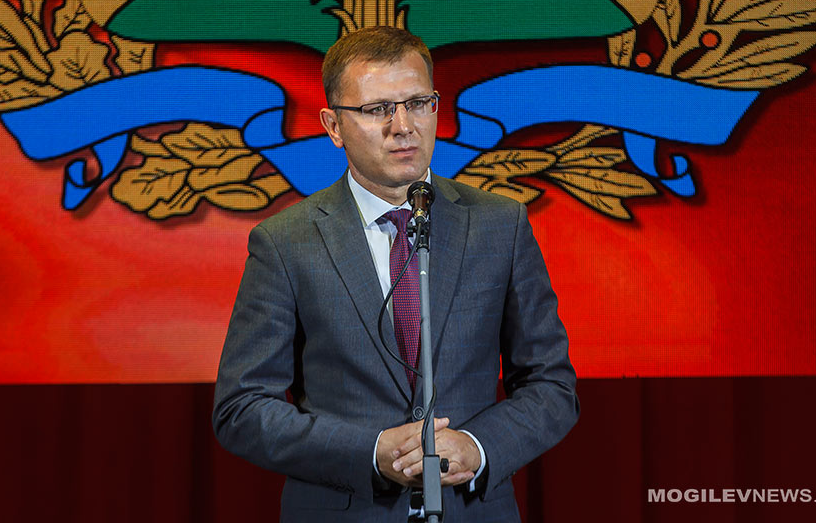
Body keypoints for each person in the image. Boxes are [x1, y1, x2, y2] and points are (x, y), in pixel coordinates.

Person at [212, 27, 578, 522]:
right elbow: (241, 407)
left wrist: (477, 446)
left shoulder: (500, 225)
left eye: (418, 103)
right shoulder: (285, 242)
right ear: (334, 126)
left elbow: (551, 385)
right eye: (377, 109)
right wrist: (371, 451)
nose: (402, 126)